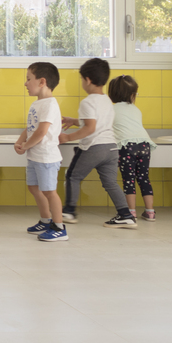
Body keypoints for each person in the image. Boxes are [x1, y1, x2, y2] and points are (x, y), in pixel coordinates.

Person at [59, 58, 136, 229]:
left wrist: (68, 138)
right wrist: (74, 120)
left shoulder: (87, 102)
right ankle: (126, 215)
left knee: (73, 176)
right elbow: (96, 122)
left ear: (87, 80)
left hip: (94, 147)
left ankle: (69, 211)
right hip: (111, 148)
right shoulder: (107, 100)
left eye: (81, 79)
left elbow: (90, 127)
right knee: (110, 183)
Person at [14, 61, 66, 242]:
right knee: (34, 188)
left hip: (46, 157)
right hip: (35, 156)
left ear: (42, 82)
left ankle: (59, 227)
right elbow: (31, 128)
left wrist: (26, 146)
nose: (25, 83)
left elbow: (42, 132)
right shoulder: (37, 104)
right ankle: (45, 221)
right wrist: (20, 141)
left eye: (29, 79)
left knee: (50, 191)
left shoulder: (50, 104)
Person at [109, 75, 156, 221]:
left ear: (112, 94)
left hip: (126, 146)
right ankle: (150, 212)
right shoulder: (136, 109)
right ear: (132, 95)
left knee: (128, 179)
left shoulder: (111, 109)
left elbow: (98, 124)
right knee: (144, 178)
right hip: (144, 144)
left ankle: (131, 212)